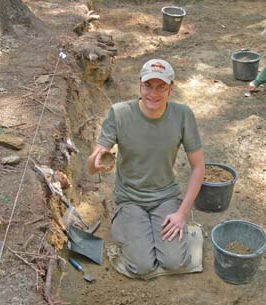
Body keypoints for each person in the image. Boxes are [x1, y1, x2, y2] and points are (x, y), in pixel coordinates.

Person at [87, 59, 205, 277]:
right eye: (148, 86)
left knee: (175, 262)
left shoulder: (182, 115)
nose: (154, 93)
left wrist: (181, 213)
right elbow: (93, 164)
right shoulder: (119, 114)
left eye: (161, 86)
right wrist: (95, 161)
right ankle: (127, 226)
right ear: (140, 85)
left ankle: (163, 232)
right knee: (143, 266)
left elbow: (198, 167)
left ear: (171, 88)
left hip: (165, 197)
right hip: (130, 199)